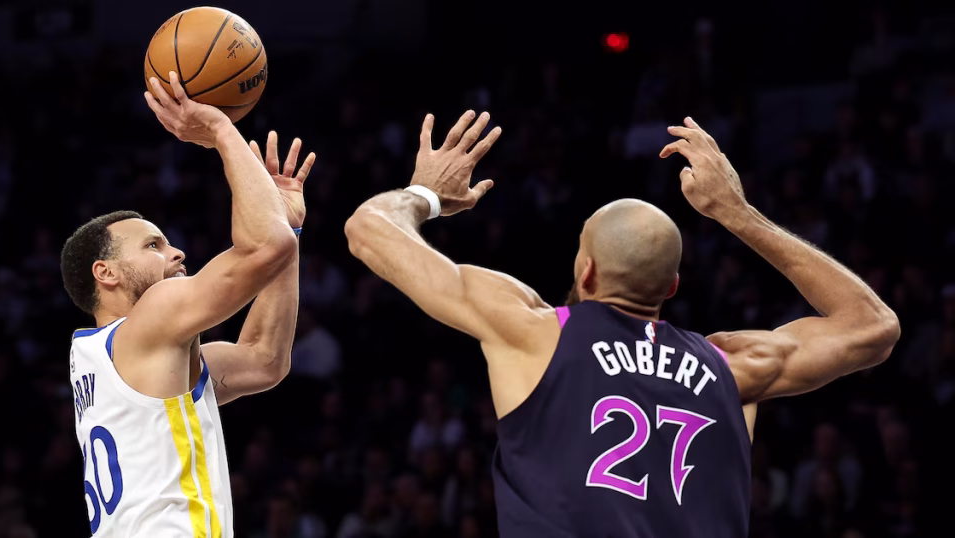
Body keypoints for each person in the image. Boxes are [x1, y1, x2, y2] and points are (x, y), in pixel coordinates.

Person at [344, 112, 900, 537]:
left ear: (584, 272)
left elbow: (368, 229)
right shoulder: (733, 366)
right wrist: (736, 212)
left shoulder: (535, 331)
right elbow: (873, 326)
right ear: (673, 288)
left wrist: (426, 195)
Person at [59, 72, 314, 537]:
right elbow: (262, 248)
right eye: (154, 246)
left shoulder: (114, 358)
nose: (176, 253)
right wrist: (219, 129)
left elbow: (264, 361)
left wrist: (289, 231)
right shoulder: (150, 321)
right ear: (106, 273)